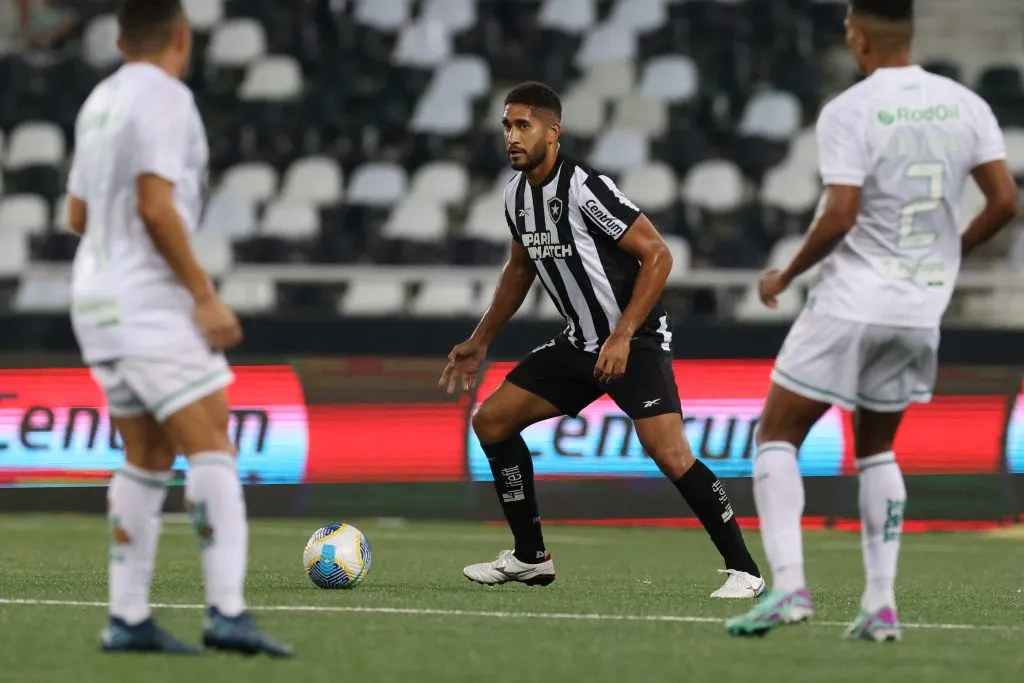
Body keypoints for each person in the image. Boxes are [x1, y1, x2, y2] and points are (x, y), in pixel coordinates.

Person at [726, 0, 1019, 642]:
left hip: (850, 302)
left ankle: (789, 589)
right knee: (878, 447)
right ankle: (880, 605)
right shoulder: (965, 104)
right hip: (919, 310)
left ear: (857, 38)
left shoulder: (850, 109)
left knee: (776, 436)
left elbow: (840, 213)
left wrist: (786, 274)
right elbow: (1005, 201)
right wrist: (948, 253)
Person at [440, 81, 766, 599]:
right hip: (579, 345)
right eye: (507, 126)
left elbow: (657, 254)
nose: (512, 136)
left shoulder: (584, 187)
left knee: (670, 453)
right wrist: (480, 339)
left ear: (554, 131)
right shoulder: (516, 196)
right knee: (493, 422)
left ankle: (745, 570)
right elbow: (520, 268)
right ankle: (530, 558)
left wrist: (621, 335)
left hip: (632, 341)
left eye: (523, 125)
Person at [66, 0, 291, 657]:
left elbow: (80, 212)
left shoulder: (99, 101)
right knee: (212, 436)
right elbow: (156, 205)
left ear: (118, 40)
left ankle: (128, 617)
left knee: (147, 455)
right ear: (182, 39)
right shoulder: (165, 97)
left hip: (96, 296)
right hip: (147, 301)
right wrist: (203, 295)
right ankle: (226, 610)